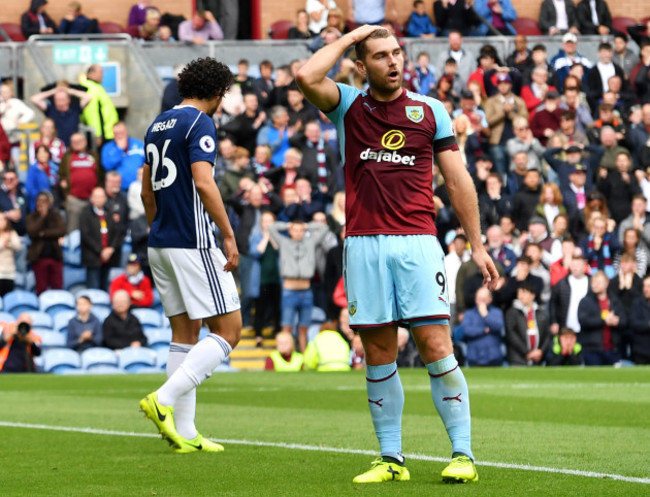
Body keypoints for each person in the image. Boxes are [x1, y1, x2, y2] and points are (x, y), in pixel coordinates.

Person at [296, 25, 498, 484]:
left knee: (434, 345)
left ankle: (462, 454)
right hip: (363, 244)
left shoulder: (430, 111)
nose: (394, 61)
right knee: (379, 352)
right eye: (381, 55)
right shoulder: (348, 105)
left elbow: (458, 180)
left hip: (417, 242)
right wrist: (350, 39)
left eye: (397, 53)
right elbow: (307, 76)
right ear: (362, 65)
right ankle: (391, 459)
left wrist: (479, 244)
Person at [138, 58, 241, 454]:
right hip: (192, 241)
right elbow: (203, 180)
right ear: (218, 92)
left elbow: (146, 191)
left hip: (160, 240)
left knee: (184, 334)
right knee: (229, 330)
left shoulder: (157, 123)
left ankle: (186, 432)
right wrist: (228, 236)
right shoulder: (201, 123)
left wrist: (157, 227)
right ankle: (162, 400)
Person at [269, 217, 330, 353]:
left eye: (300, 230)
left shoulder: (310, 242)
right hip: (289, 291)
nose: (297, 233)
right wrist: (287, 225)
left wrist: (307, 225)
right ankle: (286, 356)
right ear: (290, 231)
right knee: (287, 327)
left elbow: (324, 229)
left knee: (304, 328)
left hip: (306, 291)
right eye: (294, 230)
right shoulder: (284, 242)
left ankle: (303, 358)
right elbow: (271, 228)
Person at [577, 270, 626, 365]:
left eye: (598, 282)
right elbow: (583, 320)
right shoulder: (585, 301)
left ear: (607, 283)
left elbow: (624, 320)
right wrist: (604, 321)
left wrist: (616, 321)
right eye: (593, 282)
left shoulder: (615, 301)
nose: (595, 285)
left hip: (613, 350)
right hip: (592, 350)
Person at [79, 187, 124, 290]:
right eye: (96, 196)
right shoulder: (85, 213)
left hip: (108, 258)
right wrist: (101, 251)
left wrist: (111, 248)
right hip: (93, 258)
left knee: (105, 288)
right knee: (93, 288)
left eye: (101, 196)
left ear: (105, 199)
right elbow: (85, 235)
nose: (99, 199)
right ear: (91, 198)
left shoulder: (109, 213)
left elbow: (117, 233)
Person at [59, 132, 101, 232]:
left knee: (93, 229)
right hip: (74, 200)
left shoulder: (93, 156)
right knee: (73, 230)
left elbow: (100, 175)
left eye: (79, 141)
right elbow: (62, 176)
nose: (77, 143)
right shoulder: (67, 157)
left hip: (92, 200)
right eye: (74, 141)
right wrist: (67, 195)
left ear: (85, 142)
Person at [26, 191, 66, 295]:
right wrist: (42, 217)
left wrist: (42, 233)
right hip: (39, 257)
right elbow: (32, 232)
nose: (42, 203)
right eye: (39, 201)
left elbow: (61, 231)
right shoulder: (32, 216)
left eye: (44, 201)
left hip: (55, 256)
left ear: (49, 203)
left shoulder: (55, 215)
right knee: (41, 288)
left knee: (57, 286)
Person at [505, 282, 551, 366]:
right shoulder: (512, 312)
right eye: (519, 293)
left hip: (538, 359)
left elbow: (547, 334)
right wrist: (527, 352)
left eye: (524, 293)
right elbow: (511, 334)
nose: (520, 296)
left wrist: (541, 351)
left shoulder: (541, 312)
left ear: (532, 295)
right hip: (518, 359)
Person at [81, 65, 119, 148]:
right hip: (102, 135)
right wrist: (97, 134)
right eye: (100, 72)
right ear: (91, 73)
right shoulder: (90, 87)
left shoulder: (96, 87)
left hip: (108, 133)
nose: (103, 75)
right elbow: (91, 113)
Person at [101, 122, 146, 191]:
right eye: (117, 134)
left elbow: (148, 161)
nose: (120, 136)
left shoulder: (138, 144)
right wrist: (119, 150)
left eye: (122, 133)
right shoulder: (108, 148)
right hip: (119, 188)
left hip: (139, 186)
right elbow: (107, 166)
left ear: (126, 132)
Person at [0, 212, 22, 296]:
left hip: (9, 271)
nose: (1, 222)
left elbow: (18, 247)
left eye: (2, 219)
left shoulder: (11, 233)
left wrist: (9, 243)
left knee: (9, 296)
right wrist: (3, 243)